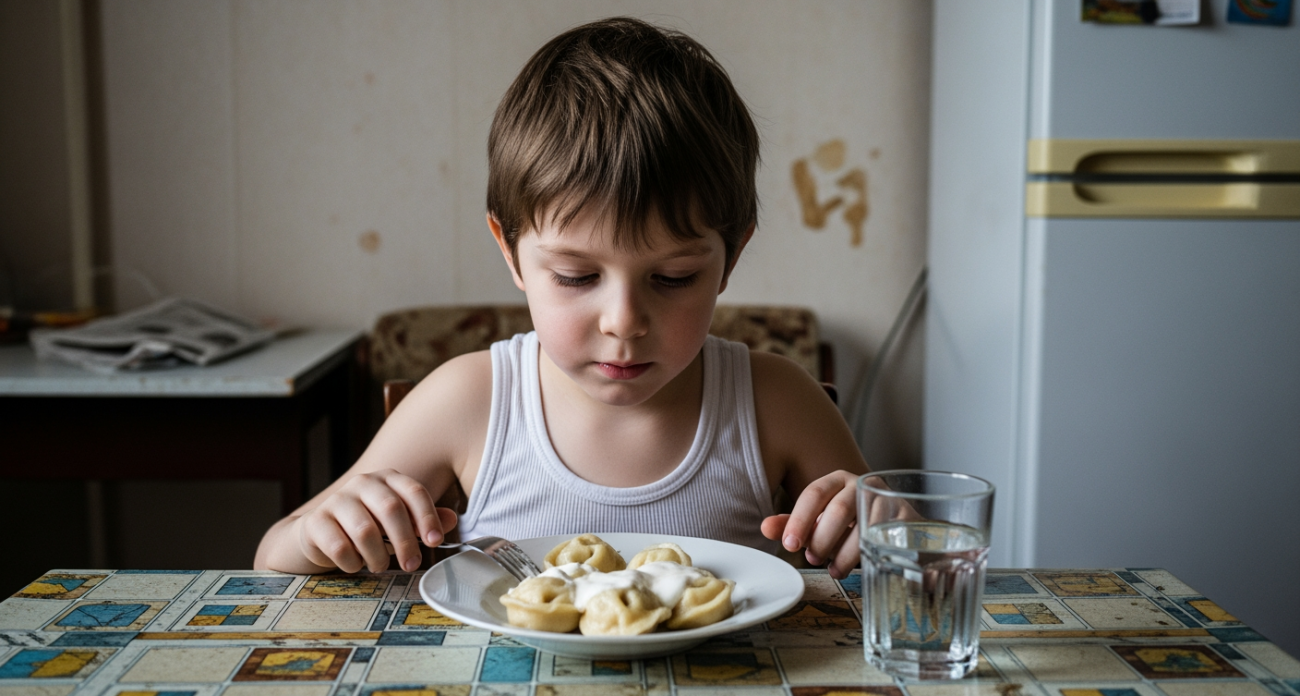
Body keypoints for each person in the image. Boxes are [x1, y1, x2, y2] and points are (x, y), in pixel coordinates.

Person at [254, 16, 869, 580]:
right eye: (576, 277)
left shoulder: (777, 402)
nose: (623, 322)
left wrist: (877, 523)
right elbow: (272, 556)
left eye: (674, 277)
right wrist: (321, 534)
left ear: (730, 258)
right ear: (510, 249)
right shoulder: (467, 401)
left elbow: (891, 556)